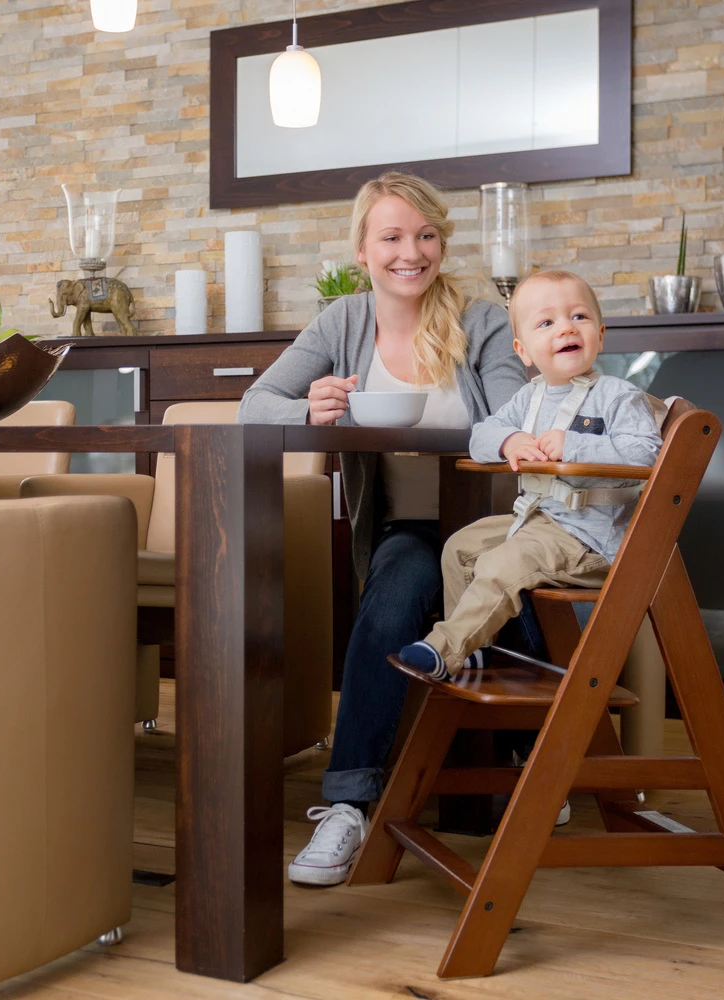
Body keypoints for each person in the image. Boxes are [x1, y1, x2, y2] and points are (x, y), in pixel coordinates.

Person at [237, 172, 526, 886]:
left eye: (425, 235)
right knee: (393, 595)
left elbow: (516, 418)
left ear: (441, 245)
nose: (411, 252)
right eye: (392, 237)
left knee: (521, 600)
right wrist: (310, 409)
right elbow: (255, 404)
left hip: (493, 528)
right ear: (362, 250)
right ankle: (348, 805)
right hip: (412, 527)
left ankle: (533, 763)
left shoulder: (483, 321)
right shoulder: (342, 323)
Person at [397, 269, 663, 681]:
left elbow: (647, 454)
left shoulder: (617, 395)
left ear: (600, 335)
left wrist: (573, 446)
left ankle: (445, 648)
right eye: (546, 322)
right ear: (523, 351)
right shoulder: (529, 397)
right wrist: (509, 440)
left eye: (579, 317)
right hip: (541, 521)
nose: (566, 328)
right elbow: (481, 435)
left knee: (504, 561)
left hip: (592, 539)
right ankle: (475, 650)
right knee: (460, 547)